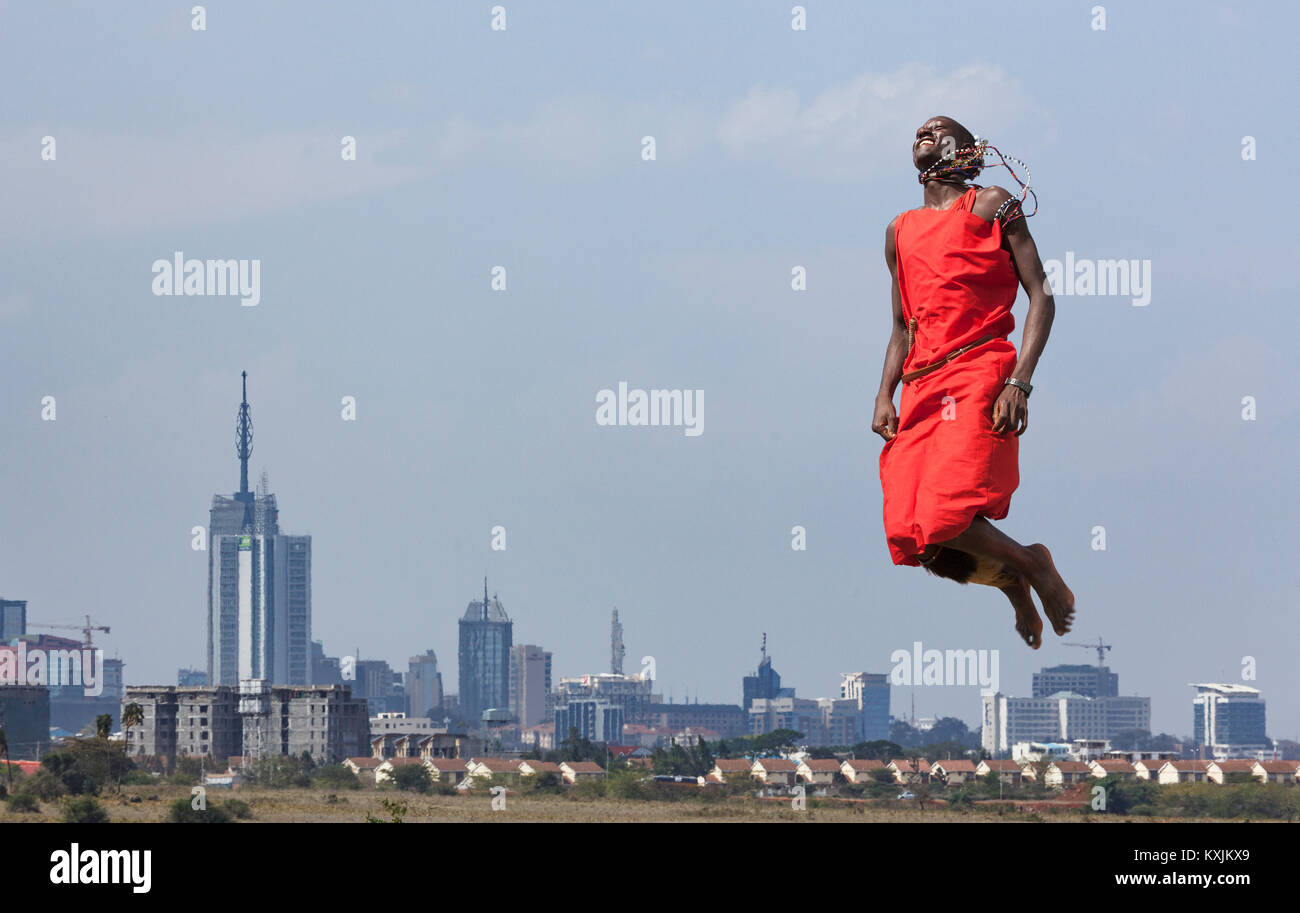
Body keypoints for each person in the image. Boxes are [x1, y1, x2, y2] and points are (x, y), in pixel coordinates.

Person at [873, 116, 1074, 649]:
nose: (924, 130)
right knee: (913, 534)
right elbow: (900, 326)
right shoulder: (899, 231)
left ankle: (1033, 561)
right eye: (918, 127)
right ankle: (1013, 582)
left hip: (977, 372)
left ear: (965, 150)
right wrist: (883, 394)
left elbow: (1043, 297)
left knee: (944, 513)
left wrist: (1020, 382)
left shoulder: (990, 205)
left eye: (939, 128)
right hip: (918, 384)